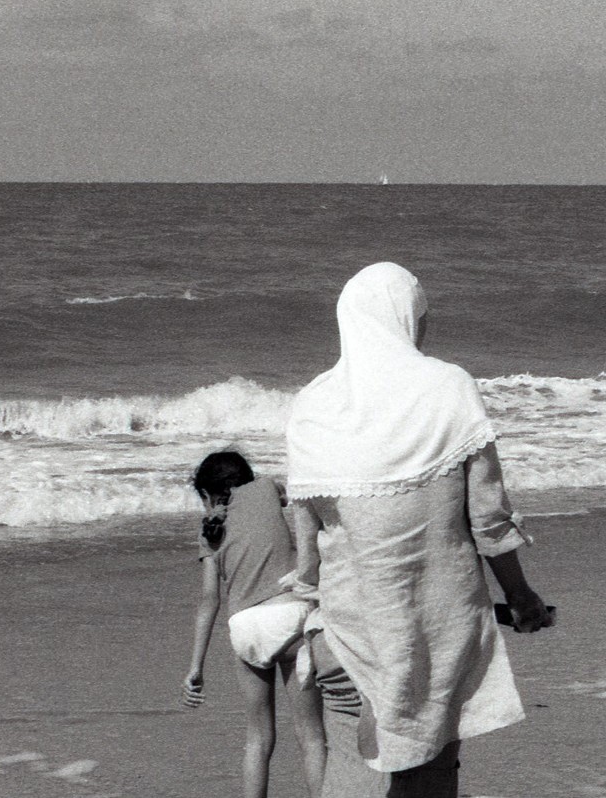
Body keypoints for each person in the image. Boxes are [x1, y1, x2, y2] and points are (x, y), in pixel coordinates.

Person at [285, 262, 554, 797]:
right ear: (406, 317)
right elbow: (489, 522)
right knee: (427, 778)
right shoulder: (447, 388)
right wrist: (522, 600)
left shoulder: (312, 404)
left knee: (352, 771)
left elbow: (307, 546)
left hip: (343, 636)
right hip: (430, 639)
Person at [181, 450, 326, 798]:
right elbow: (287, 497)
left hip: (245, 627)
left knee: (257, 740)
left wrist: (195, 667)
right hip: (290, 616)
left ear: (205, 495)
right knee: (312, 737)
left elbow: (209, 601)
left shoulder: (208, 533)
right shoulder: (264, 488)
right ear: (248, 475)